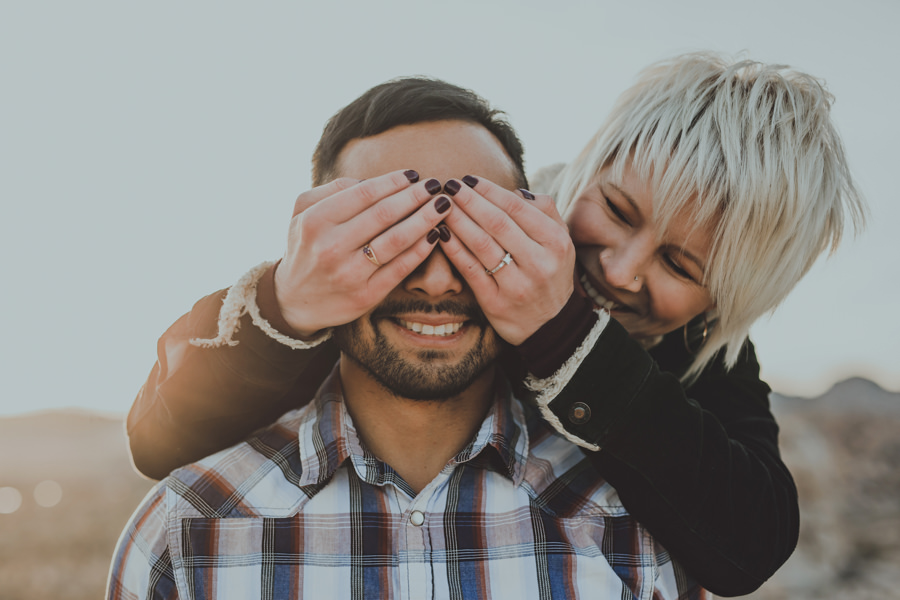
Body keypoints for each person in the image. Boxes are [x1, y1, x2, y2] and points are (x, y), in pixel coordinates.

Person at [122, 54, 865, 596]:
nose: (622, 269)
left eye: (680, 264)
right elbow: (159, 435)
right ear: (578, 173)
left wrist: (567, 335)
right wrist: (287, 304)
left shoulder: (702, 355)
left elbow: (750, 541)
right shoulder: (485, 225)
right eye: (617, 210)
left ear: (724, 304)